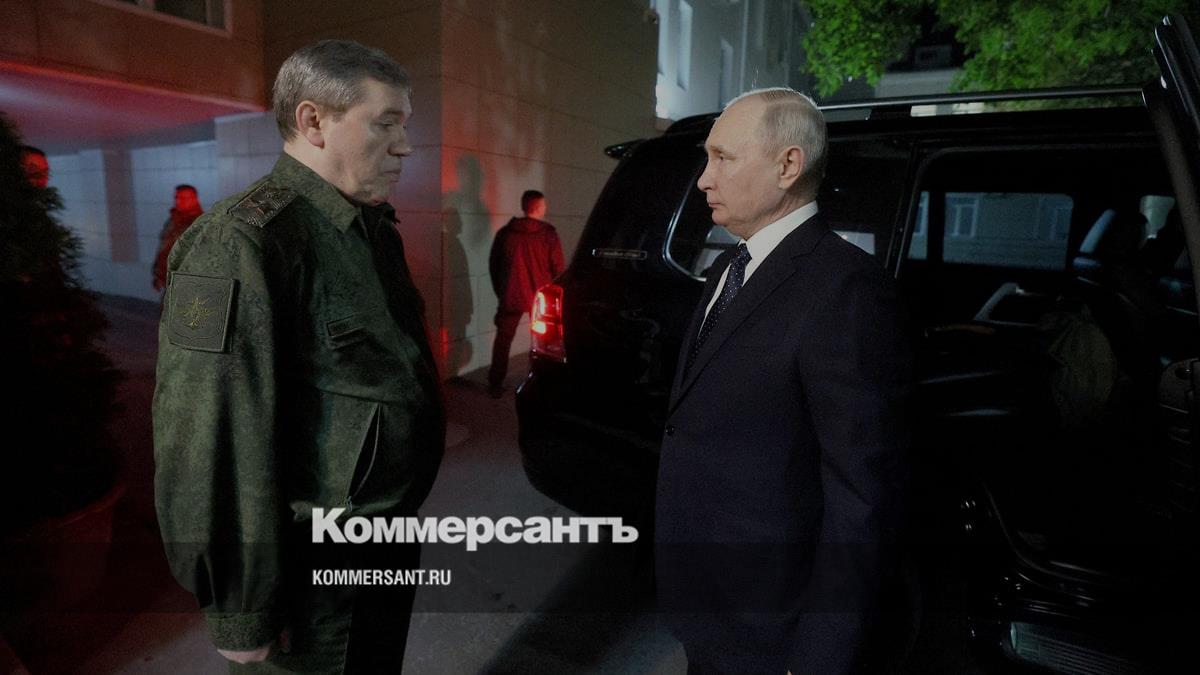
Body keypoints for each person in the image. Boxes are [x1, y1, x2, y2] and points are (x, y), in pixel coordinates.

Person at [153, 40, 445, 673]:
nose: (405, 146)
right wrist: (241, 605)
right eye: (386, 123)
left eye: (405, 125)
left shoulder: (368, 227)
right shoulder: (241, 241)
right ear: (314, 121)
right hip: (312, 575)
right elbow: (209, 435)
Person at [654, 88, 912, 674]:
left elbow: (862, 498)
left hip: (775, 628)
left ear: (788, 165)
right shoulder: (729, 266)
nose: (704, 180)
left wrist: (820, 654)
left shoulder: (846, 289)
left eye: (723, 158)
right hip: (708, 598)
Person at [487, 189, 564, 397]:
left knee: (503, 340)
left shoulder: (506, 233)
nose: (546, 207)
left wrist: (502, 291)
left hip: (510, 296)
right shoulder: (548, 234)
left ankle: (495, 383)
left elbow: (494, 265)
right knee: (544, 343)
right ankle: (541, 383)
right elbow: (558, 268)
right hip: (540, 299)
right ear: (538, 208)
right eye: (544, 205)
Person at [152, 184, 204, 292]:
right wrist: (158, 274)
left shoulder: (201, 223)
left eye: (184, 198)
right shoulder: (173, 220)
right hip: (170, 280)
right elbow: (164, 248)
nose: (178, 201)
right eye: (177, 197)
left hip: (188, 283)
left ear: (195, 199)